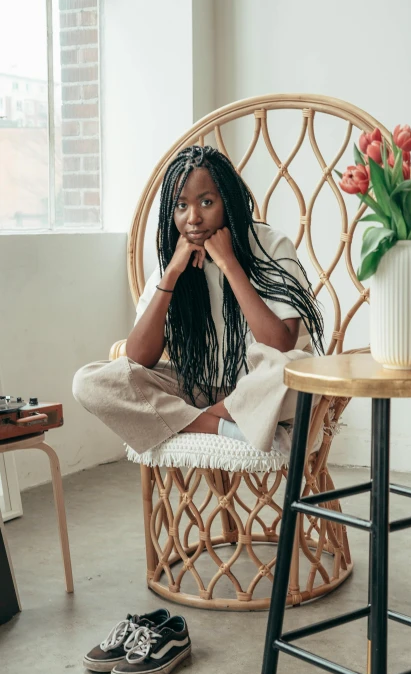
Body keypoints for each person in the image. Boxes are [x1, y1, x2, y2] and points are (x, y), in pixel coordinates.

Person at [73, 145, 324, 456]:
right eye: (181, 206)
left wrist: (230, 264)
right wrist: (171, 274)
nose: (193, 218)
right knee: (90, 382)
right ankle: (225, 427)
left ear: (228, 201)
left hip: (258, 387)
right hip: (193, 387)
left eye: (206, 202)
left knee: (298, 373)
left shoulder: (270, 245)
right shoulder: (174, 257)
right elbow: (137, 357)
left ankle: (189, 420)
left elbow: (280, 346)